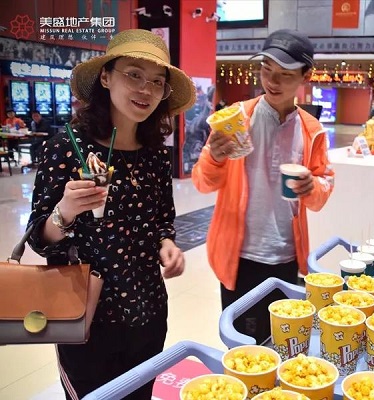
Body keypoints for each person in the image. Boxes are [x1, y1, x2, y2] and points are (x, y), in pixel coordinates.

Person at [26, 29, 195, 400]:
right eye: (133, 75)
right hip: (85, 316)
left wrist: (167, 243)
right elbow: (38, 238)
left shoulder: (155, 154)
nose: (145, 90)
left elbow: (162, 220)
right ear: (106, 77)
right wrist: (66, 211)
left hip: (148, 311)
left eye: (157, 81)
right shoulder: (67, 147)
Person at [192, 29, 335, 344]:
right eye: (266, 70)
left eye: (285, 74)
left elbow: (322, 191)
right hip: (239, 256)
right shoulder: (234, 119)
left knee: (282, 343)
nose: (272, 81)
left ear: (306, 76)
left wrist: (312, 186)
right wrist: (214, 157)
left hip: (286, 256)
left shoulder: (312, 130)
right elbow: (202, 182)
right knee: (241, 348)